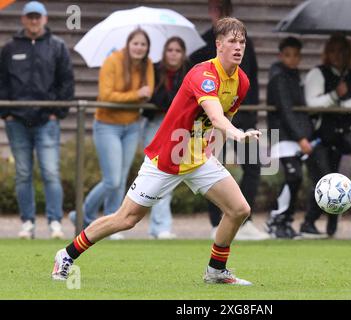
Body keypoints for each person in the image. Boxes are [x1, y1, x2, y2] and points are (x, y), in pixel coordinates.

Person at [52, 17, 260, 285]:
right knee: (126, 219)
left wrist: (214, 150)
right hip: (168, 156)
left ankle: (216, 271)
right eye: (232, 41)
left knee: (239, 209)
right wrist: (237, 134)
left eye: (242, 42)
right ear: (218, 45)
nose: (238, 47)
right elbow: (218, 117)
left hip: (198, 158)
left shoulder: (241, 82)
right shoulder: (203, 75)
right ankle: (66, 255)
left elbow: (217, 126)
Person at [190, 0, 268, 240]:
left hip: (243, 117)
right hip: (211, 121)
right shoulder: (202, 44)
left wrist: (249, 115)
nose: (237, 46)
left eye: (223, 8)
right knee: (215, 166)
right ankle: (217, 222)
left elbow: (249, 78)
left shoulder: (246, 44)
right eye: (215, 8)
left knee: (253, 165)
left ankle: (245, 221)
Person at [68, 29, 154, 240]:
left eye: (143, 44)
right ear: (128, 43)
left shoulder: (148, 64)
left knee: (122, 178)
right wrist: (135, 95)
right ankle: (82, 215)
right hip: (107, 124)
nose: (139, 48)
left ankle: (110, 221)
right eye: (136, 43)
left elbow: (149, 91)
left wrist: (136, 96)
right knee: (112, 180)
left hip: (132, 125)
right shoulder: (112, 61)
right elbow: (106, 95)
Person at [0, 1, 74, 239]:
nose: (33, 21)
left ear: (44, 19)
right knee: (23, 173)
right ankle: (27, 223)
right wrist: (6, 112)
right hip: (17, 121)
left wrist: (57, 112)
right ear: (23, 19)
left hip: (47, 121)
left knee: (50, 171)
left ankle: (54, 222)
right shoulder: (10, 48)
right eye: (30, 17)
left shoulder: (57, 47)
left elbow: (67, 82)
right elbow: (1, 81)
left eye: (37, 17)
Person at [299, 33, 351, 238]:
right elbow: (312, 103)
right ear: (327, 53)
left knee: (336, 182)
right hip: (319, 138)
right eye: (334, 51)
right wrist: (334, 96)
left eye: (342, 51)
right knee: (324, 180)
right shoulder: (317, 73)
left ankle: (331, 228)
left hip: (340, 140)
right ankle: (308, 223)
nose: (338, 55)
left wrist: (341, 104)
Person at [141, 37, 191, 239]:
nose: (173, 53)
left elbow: (183, 102)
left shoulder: (188, 73)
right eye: (169, 49)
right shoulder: (153, 70)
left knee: (168, 175)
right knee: (154, 175)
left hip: (178, 128)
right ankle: (157, 226)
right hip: (155, 125)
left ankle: (161, 226)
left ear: (183, 53)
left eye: (177, 50)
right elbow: (157, 100)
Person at [264, 37, 314, 239]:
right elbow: (285, 109)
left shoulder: (294, 76)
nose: (292, 59)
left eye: (295, 55)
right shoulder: (279, 77)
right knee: (293, 176)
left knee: (296, 178)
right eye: (287, 55)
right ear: (280, 55)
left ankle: (285, 221)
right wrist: (301, 136)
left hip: (293, 135)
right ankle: (276, 219)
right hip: (283, 135)